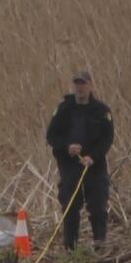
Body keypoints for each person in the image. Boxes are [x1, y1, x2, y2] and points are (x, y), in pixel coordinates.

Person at [46, 70, 114, 250]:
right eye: (76, 83)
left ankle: (100, 245)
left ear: (90, 85)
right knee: (70, 207)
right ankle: (71, 248)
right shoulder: (63, 109)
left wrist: (93, 156)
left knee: (98, 206)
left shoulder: (101, 111)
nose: (79, 87)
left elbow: (107, 139)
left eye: (83, 83)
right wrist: (67, 147)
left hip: (94, 167)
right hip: (70, 167)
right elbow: (51, 136)